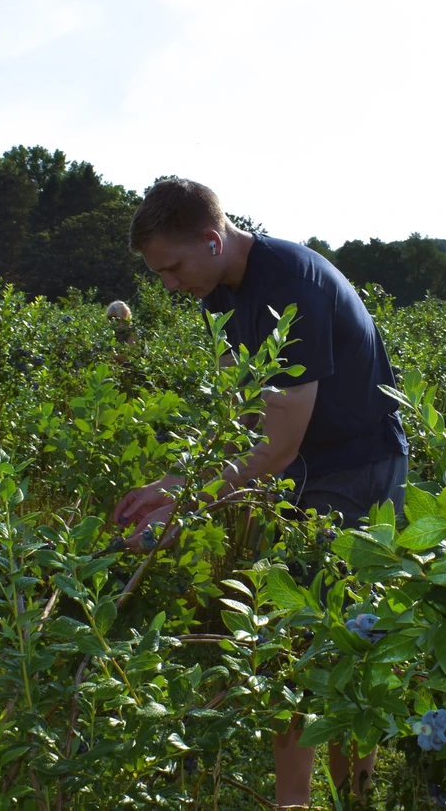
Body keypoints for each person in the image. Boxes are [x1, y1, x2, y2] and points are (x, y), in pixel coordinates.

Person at [111, 177, 408, 808]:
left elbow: (276, 448)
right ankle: (292, 803)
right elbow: (239, 418)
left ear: (213, 240)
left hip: (357, 471)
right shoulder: (216, 290)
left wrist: (182, 511)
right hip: (305, 469)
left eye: (172, 267)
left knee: (337, 650)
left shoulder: (289, 292)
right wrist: (166, 486)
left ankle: (352, 798)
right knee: (287, 647)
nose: (168, 284)